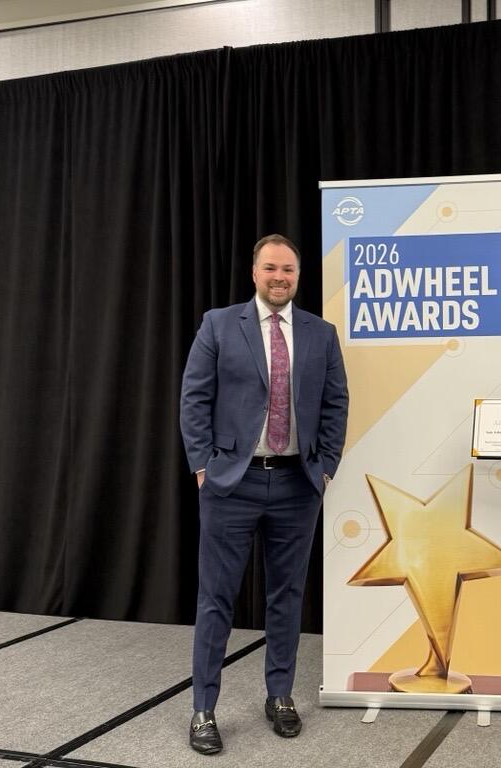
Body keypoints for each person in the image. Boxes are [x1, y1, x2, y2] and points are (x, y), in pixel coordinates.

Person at [179, 233, 348, 753]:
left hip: (298, 485)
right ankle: (203, 708)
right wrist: (204, 467)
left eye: (289, 271)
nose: (280, 278)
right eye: (271, 268)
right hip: (232, 483)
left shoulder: (321, 334)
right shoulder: (220, 324)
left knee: (286, 597)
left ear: (298, 277)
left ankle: (279, 696)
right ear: (255, 273)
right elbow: (194, 398)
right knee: (216, 600)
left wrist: (325, 469)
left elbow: (336, 402)